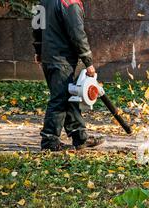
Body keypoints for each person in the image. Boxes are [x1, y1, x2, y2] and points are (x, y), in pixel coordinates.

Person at [32, 0, 104, 151]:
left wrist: (38, 50)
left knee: (67, 96)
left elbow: (36, 27)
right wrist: (88, 62)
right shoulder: (69, 3)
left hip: (48, 56)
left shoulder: (43, 1)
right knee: (59, 99)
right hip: (61, 59)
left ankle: (80, 137)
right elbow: (77, 34)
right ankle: (49, 141)